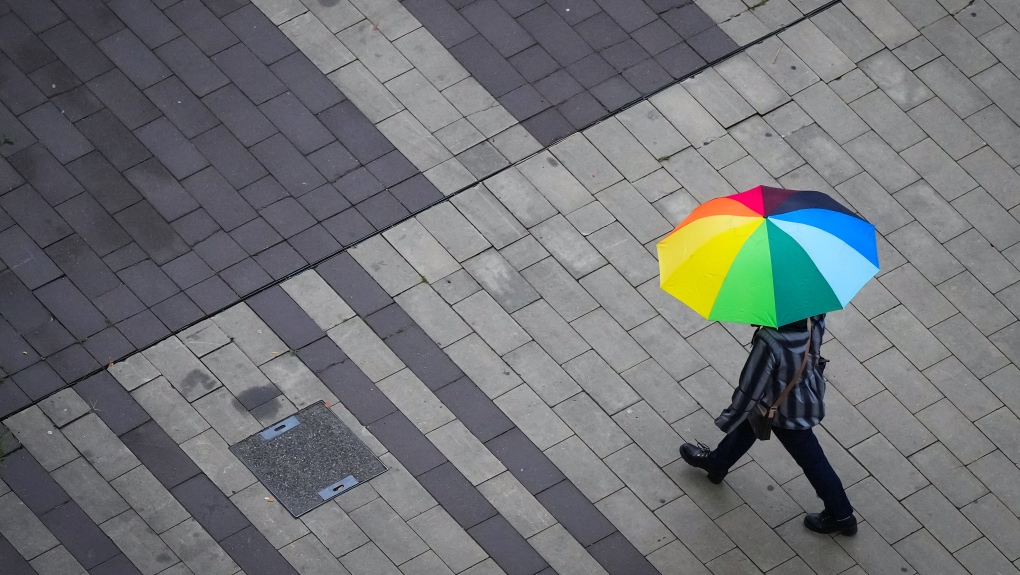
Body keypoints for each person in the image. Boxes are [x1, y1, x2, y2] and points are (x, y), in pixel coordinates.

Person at [678, 313, 858, 536]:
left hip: (784, 409)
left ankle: (842, 515)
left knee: (812, 460)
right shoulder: (816, 314)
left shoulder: (770, 340)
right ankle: (718, 463)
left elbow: (750, 389)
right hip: (804, 395)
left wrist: (730, 417)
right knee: (754, 423)